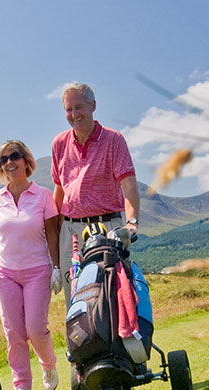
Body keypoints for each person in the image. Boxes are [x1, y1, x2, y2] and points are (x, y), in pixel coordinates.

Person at [0, 140, 61, 390]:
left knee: (35, 329)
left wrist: (56, 267)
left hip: (37, 270)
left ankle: (48, 365)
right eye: (3, 159)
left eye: (14, 156)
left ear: (25, 160)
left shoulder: (43, 195)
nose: (9, 162)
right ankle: (22, 387)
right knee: (14, 332)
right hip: (5, 273)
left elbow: (52, 233)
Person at [51, 83, 141, 285]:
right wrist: (55, 234)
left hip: (107, 227)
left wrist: (132, 223)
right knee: (75, 299)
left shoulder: (113, 139)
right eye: (68, 109)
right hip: (70, 231)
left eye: (79, 107)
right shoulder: (59, 143)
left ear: (93, 105)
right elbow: (59, 191)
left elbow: (129, 185)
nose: (74, 114)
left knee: (110, 294)